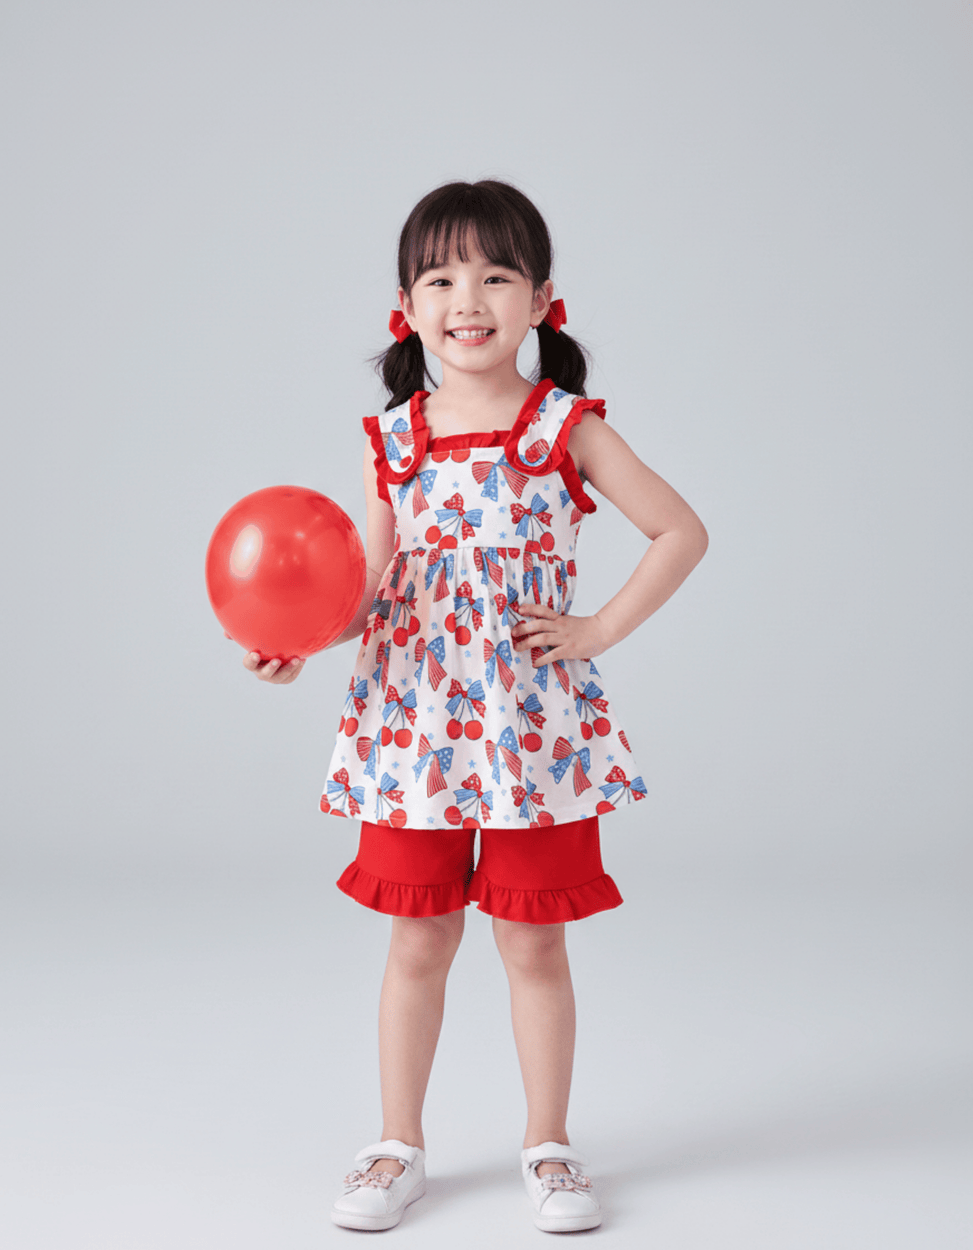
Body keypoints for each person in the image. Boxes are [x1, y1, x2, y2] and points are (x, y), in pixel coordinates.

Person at [241, 180, 708, 1233]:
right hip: (413, 728)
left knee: (533, 943)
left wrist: (592, 632)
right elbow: (367, 582)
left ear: (544, 300)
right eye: (441, 276)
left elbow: (680, 529)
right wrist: (297, 644)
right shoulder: (392, 439)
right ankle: (395, 1143)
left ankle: (548, 1146)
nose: (469, 296)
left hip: (531, 730)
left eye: (497, 274)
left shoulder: (565, 429)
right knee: (417, 939)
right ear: (404, 307)